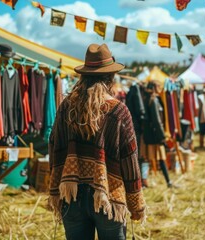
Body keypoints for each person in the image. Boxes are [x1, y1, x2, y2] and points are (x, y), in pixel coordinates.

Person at [48, 43, 146, 240]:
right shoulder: (118, 111)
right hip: (109, 197)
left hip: (71, 194)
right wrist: (136, 204)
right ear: (110, 78)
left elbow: (54, 147)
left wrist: (56, 189)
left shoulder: (66, 107)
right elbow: (129, 159)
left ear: (83, 75)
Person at [142, 80, 174, 188]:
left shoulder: (147, 99)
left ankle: (145, 183)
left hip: (150, 134)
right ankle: (168, 182)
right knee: (160, 158)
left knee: (147, 158)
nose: (160, 88)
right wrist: (162, 137)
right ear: (155, 87)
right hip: (155, 135)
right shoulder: (154, 100)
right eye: (158, 86)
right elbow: (157, 120)